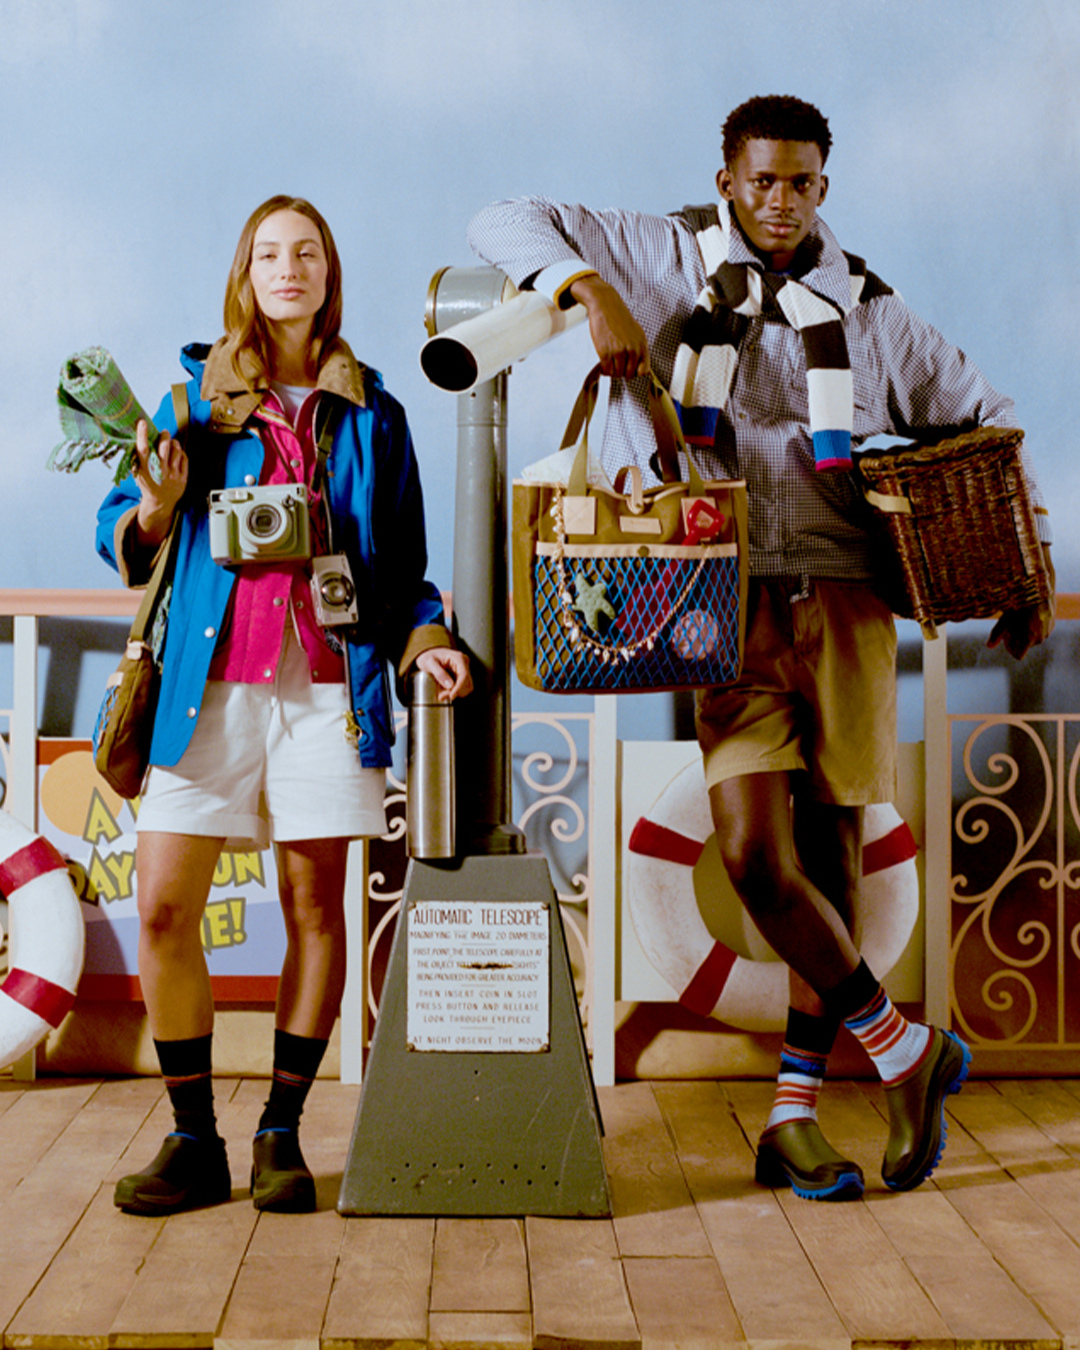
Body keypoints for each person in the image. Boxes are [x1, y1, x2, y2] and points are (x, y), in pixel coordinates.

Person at [469, 95, 1055, 1199]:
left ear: (824, 186)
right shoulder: (659, 256)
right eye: (763, 181)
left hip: (844, 598)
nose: (782, 202)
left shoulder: (872, 314)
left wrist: (1028, 564)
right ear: (727, 180)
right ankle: (905, 1051)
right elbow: (502, 217)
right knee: (753, 856)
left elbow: (987, 420)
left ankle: (793, 1117)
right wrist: (590, 289)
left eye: (803, 183)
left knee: (830, 860)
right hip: (717, 599)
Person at [97, 195, 471, 1216]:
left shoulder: (375, 414)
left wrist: (427, 641)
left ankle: (280, 1134)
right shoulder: (193, 402)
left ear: (328, 274)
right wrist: (157, 506)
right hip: (205, 689)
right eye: (269, 253)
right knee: (163, 906)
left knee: (313, 909)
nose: (288, 268)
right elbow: (121, 523)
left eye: (306, 252)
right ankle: (191, 1139)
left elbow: (404, 572)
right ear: (245, 274)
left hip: (327, 693)